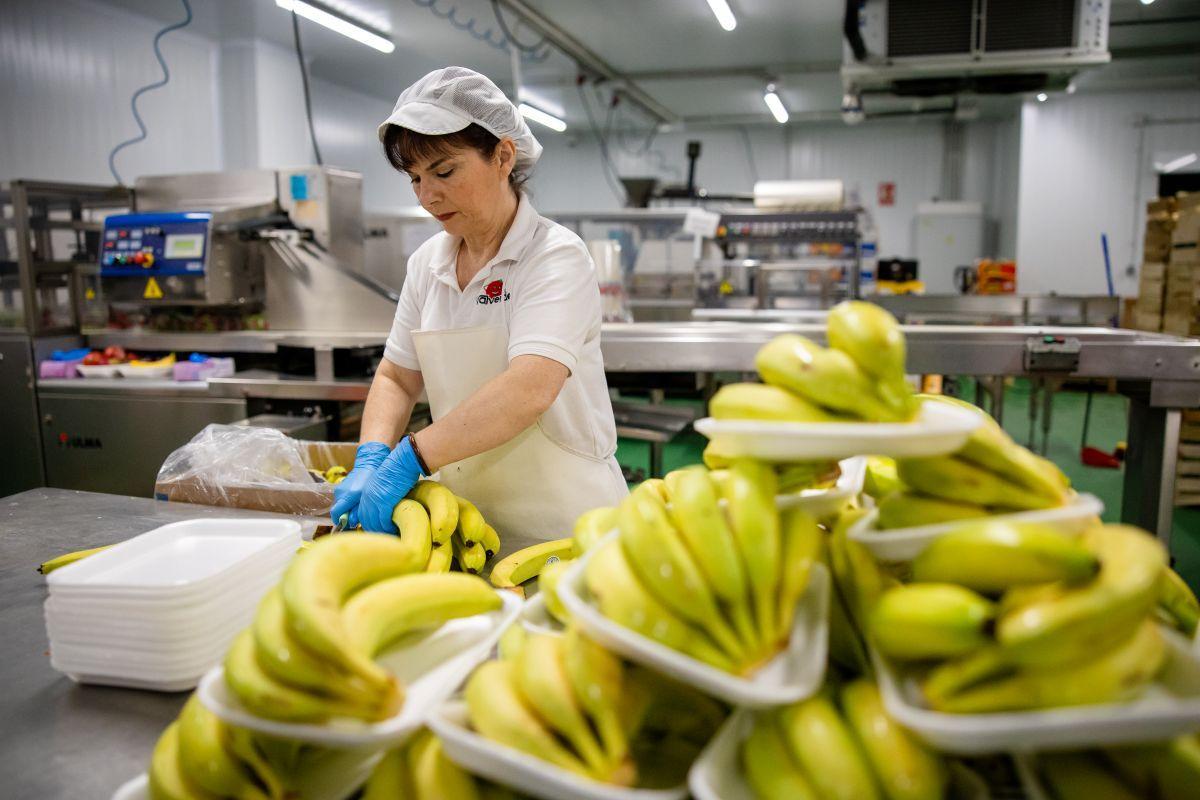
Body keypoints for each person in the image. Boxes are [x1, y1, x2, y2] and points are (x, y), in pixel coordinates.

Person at [330, 66, 628, 541]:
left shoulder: (554, 255)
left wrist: (409, 457)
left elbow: (528, 389)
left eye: (445, 171)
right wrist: (371, 455)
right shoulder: (427, 263)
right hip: (468, 526)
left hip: (569, 525)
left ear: (503, 156)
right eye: (415, 178)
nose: (428, 195)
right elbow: (396, 377)